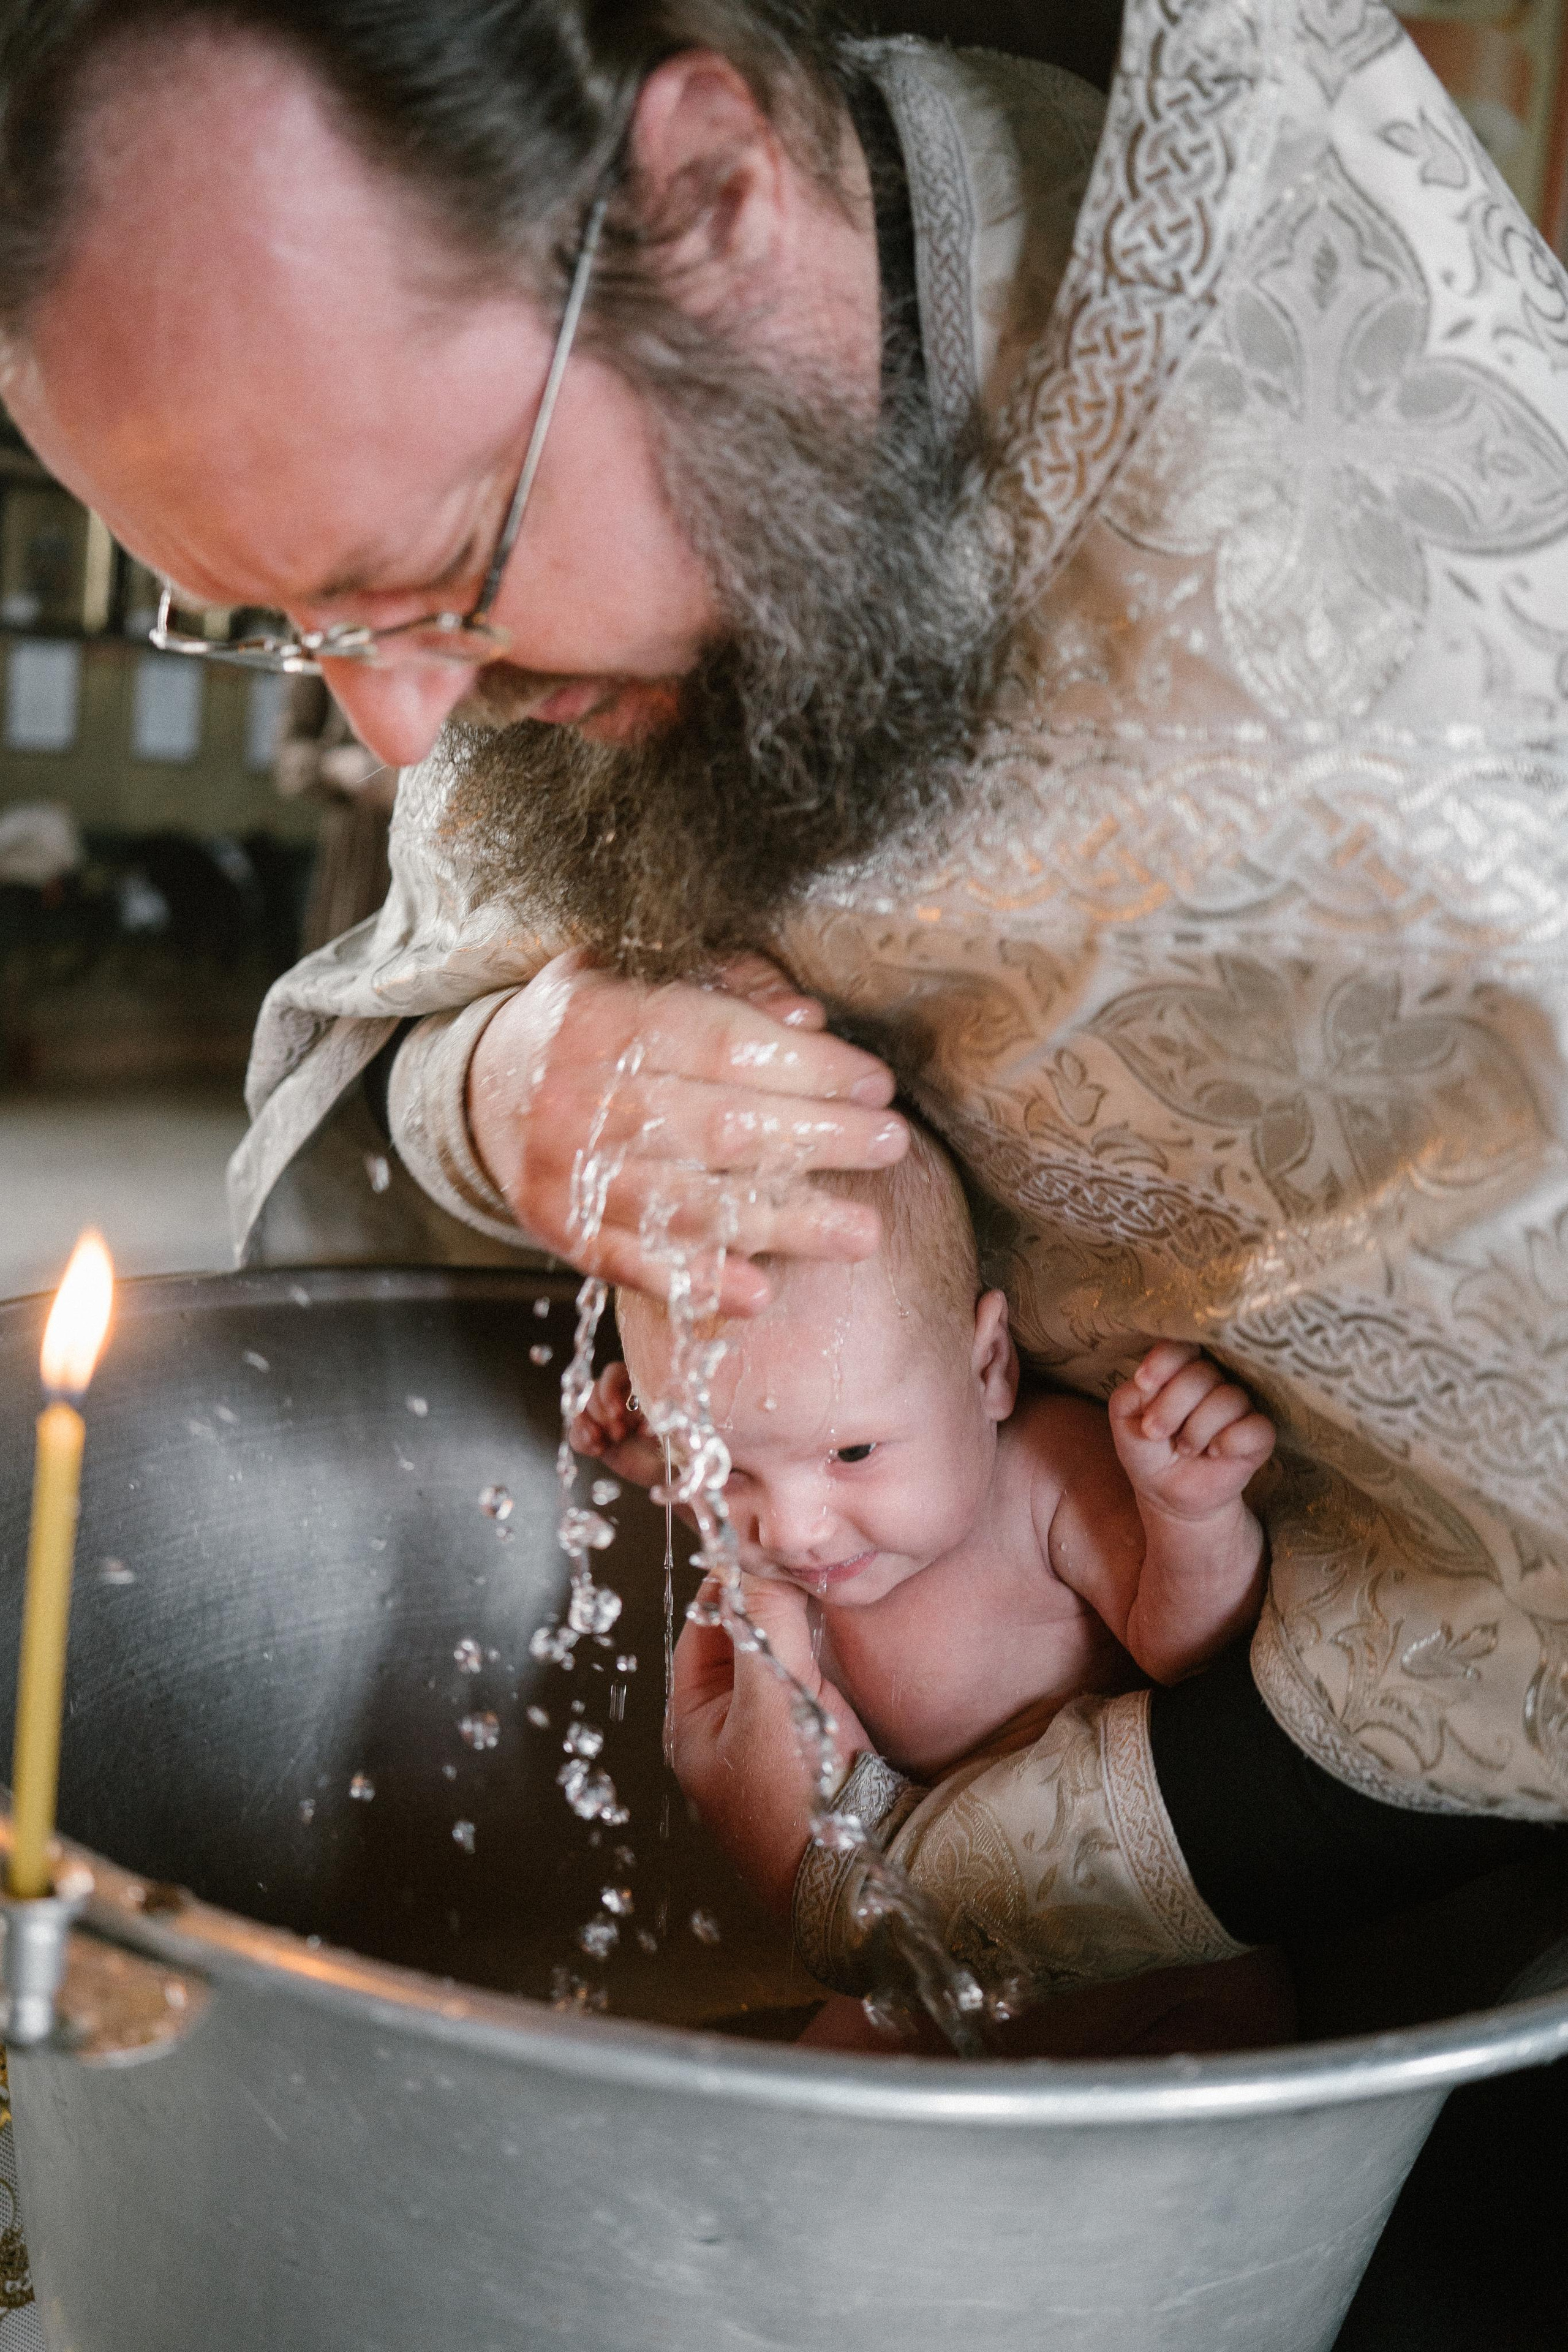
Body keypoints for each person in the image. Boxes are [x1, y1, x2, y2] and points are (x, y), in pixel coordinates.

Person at [1, 0, 1562, 1994]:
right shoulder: (678, 423)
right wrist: (511, 1091)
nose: (401, 728)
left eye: (436, 568)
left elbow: (1517, 1628)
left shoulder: (1392, 672)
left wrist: (884, 1892)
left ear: (710, 189)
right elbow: (412, 1031)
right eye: (298, 623)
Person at [574, 1121, 1290, 2013]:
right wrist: (658, 1464)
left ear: (987, 1365)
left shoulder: (1047, 1477)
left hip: (1138, 1961)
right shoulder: (794, 1530)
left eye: (855, 1451)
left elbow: (1190, 1656)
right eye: (724, 1468)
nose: (794, 1532)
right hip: (926, 1944)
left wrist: (1190, 1516)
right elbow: (738, 1503)